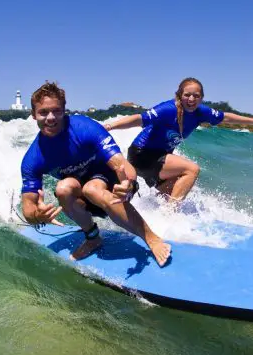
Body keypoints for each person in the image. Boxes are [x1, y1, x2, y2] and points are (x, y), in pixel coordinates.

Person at [20, 82, 171, 267]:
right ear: (33, 115)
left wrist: (129, 184)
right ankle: (93, 238)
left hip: (115, 186)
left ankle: (151, 238)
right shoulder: (33, 158)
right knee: (63, 188)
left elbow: (121, 165)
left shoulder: (84, 127)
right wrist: (37, 215)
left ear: (64, 110)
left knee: (93, 188)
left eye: (56, 111)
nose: (50, 117)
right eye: (43, 112)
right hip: (84, 199)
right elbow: (27, 207)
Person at [104, 77, 253, 204]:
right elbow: (138, 119)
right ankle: (171, 214)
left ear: (201, 98)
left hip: (159, 157)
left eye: (196, 96)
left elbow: (226, 117)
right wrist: (111, 126)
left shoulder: (201, 112)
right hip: (143, 155)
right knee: (192, 169)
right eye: (187, 95)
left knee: (169, 193)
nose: (191, 99)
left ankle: (156, 219)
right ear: (179, 95)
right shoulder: (167, 109)